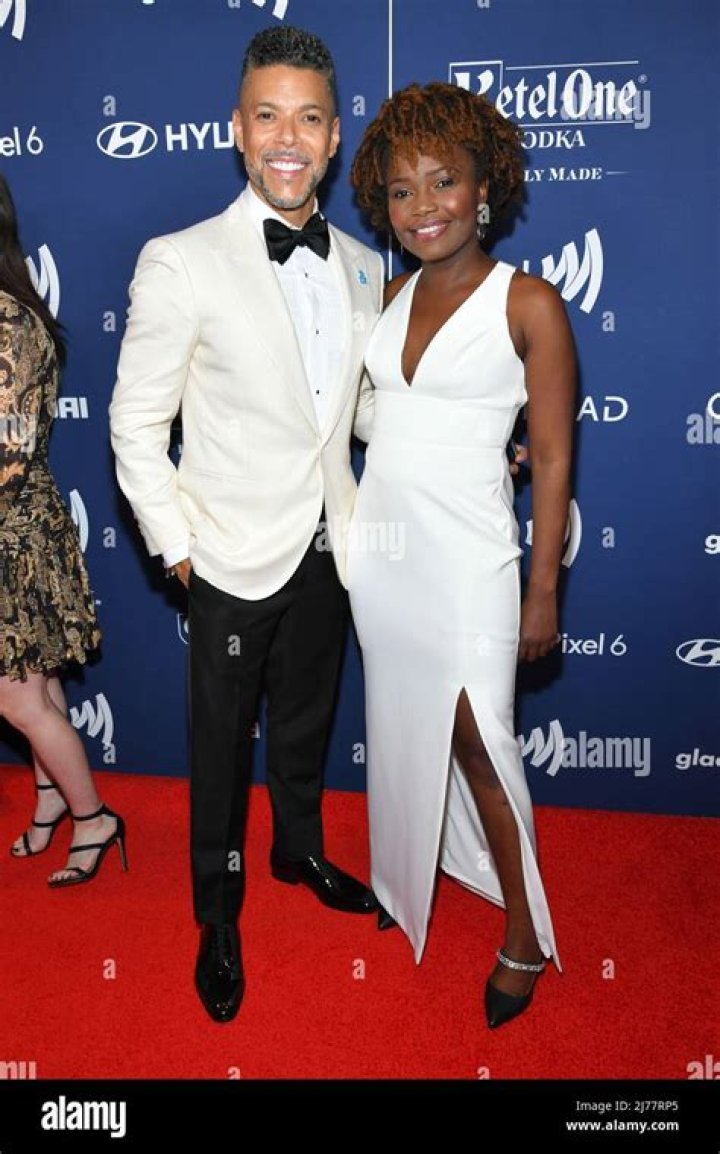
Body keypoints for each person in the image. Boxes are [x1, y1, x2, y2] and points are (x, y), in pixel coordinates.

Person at [109, 26, 385, 1025]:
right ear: (237, 128)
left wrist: (467, 434)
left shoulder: (364, 265)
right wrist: (179, 549)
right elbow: (135, 421)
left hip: (328, 545)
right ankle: (217, 914)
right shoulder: (182, 260)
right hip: (226, 552)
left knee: (308, 719)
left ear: (335, 136)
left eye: (308, 119)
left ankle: (298, 849)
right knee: (222, 750)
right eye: (268, 115)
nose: (287, 138)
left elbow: (361, 412)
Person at [348, 82, 576, 1028]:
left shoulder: (529, 303)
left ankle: (524, 931)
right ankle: (410, 875)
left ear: (486, 187)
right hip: (384, 557)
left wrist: (542, 589)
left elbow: (552, 455)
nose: (423, 206)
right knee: (409, 726)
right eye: (401, 190)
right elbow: (374, 418)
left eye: (444, 181)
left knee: (482, 741)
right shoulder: (387, 297)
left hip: (472, 559)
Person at [0, 173, 126, 888]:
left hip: (12, 532)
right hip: (18, 527)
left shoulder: (9, 322)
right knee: (37, 685)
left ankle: (93, 817)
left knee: (14, 696)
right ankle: (52, 798)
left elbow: (11, 451)